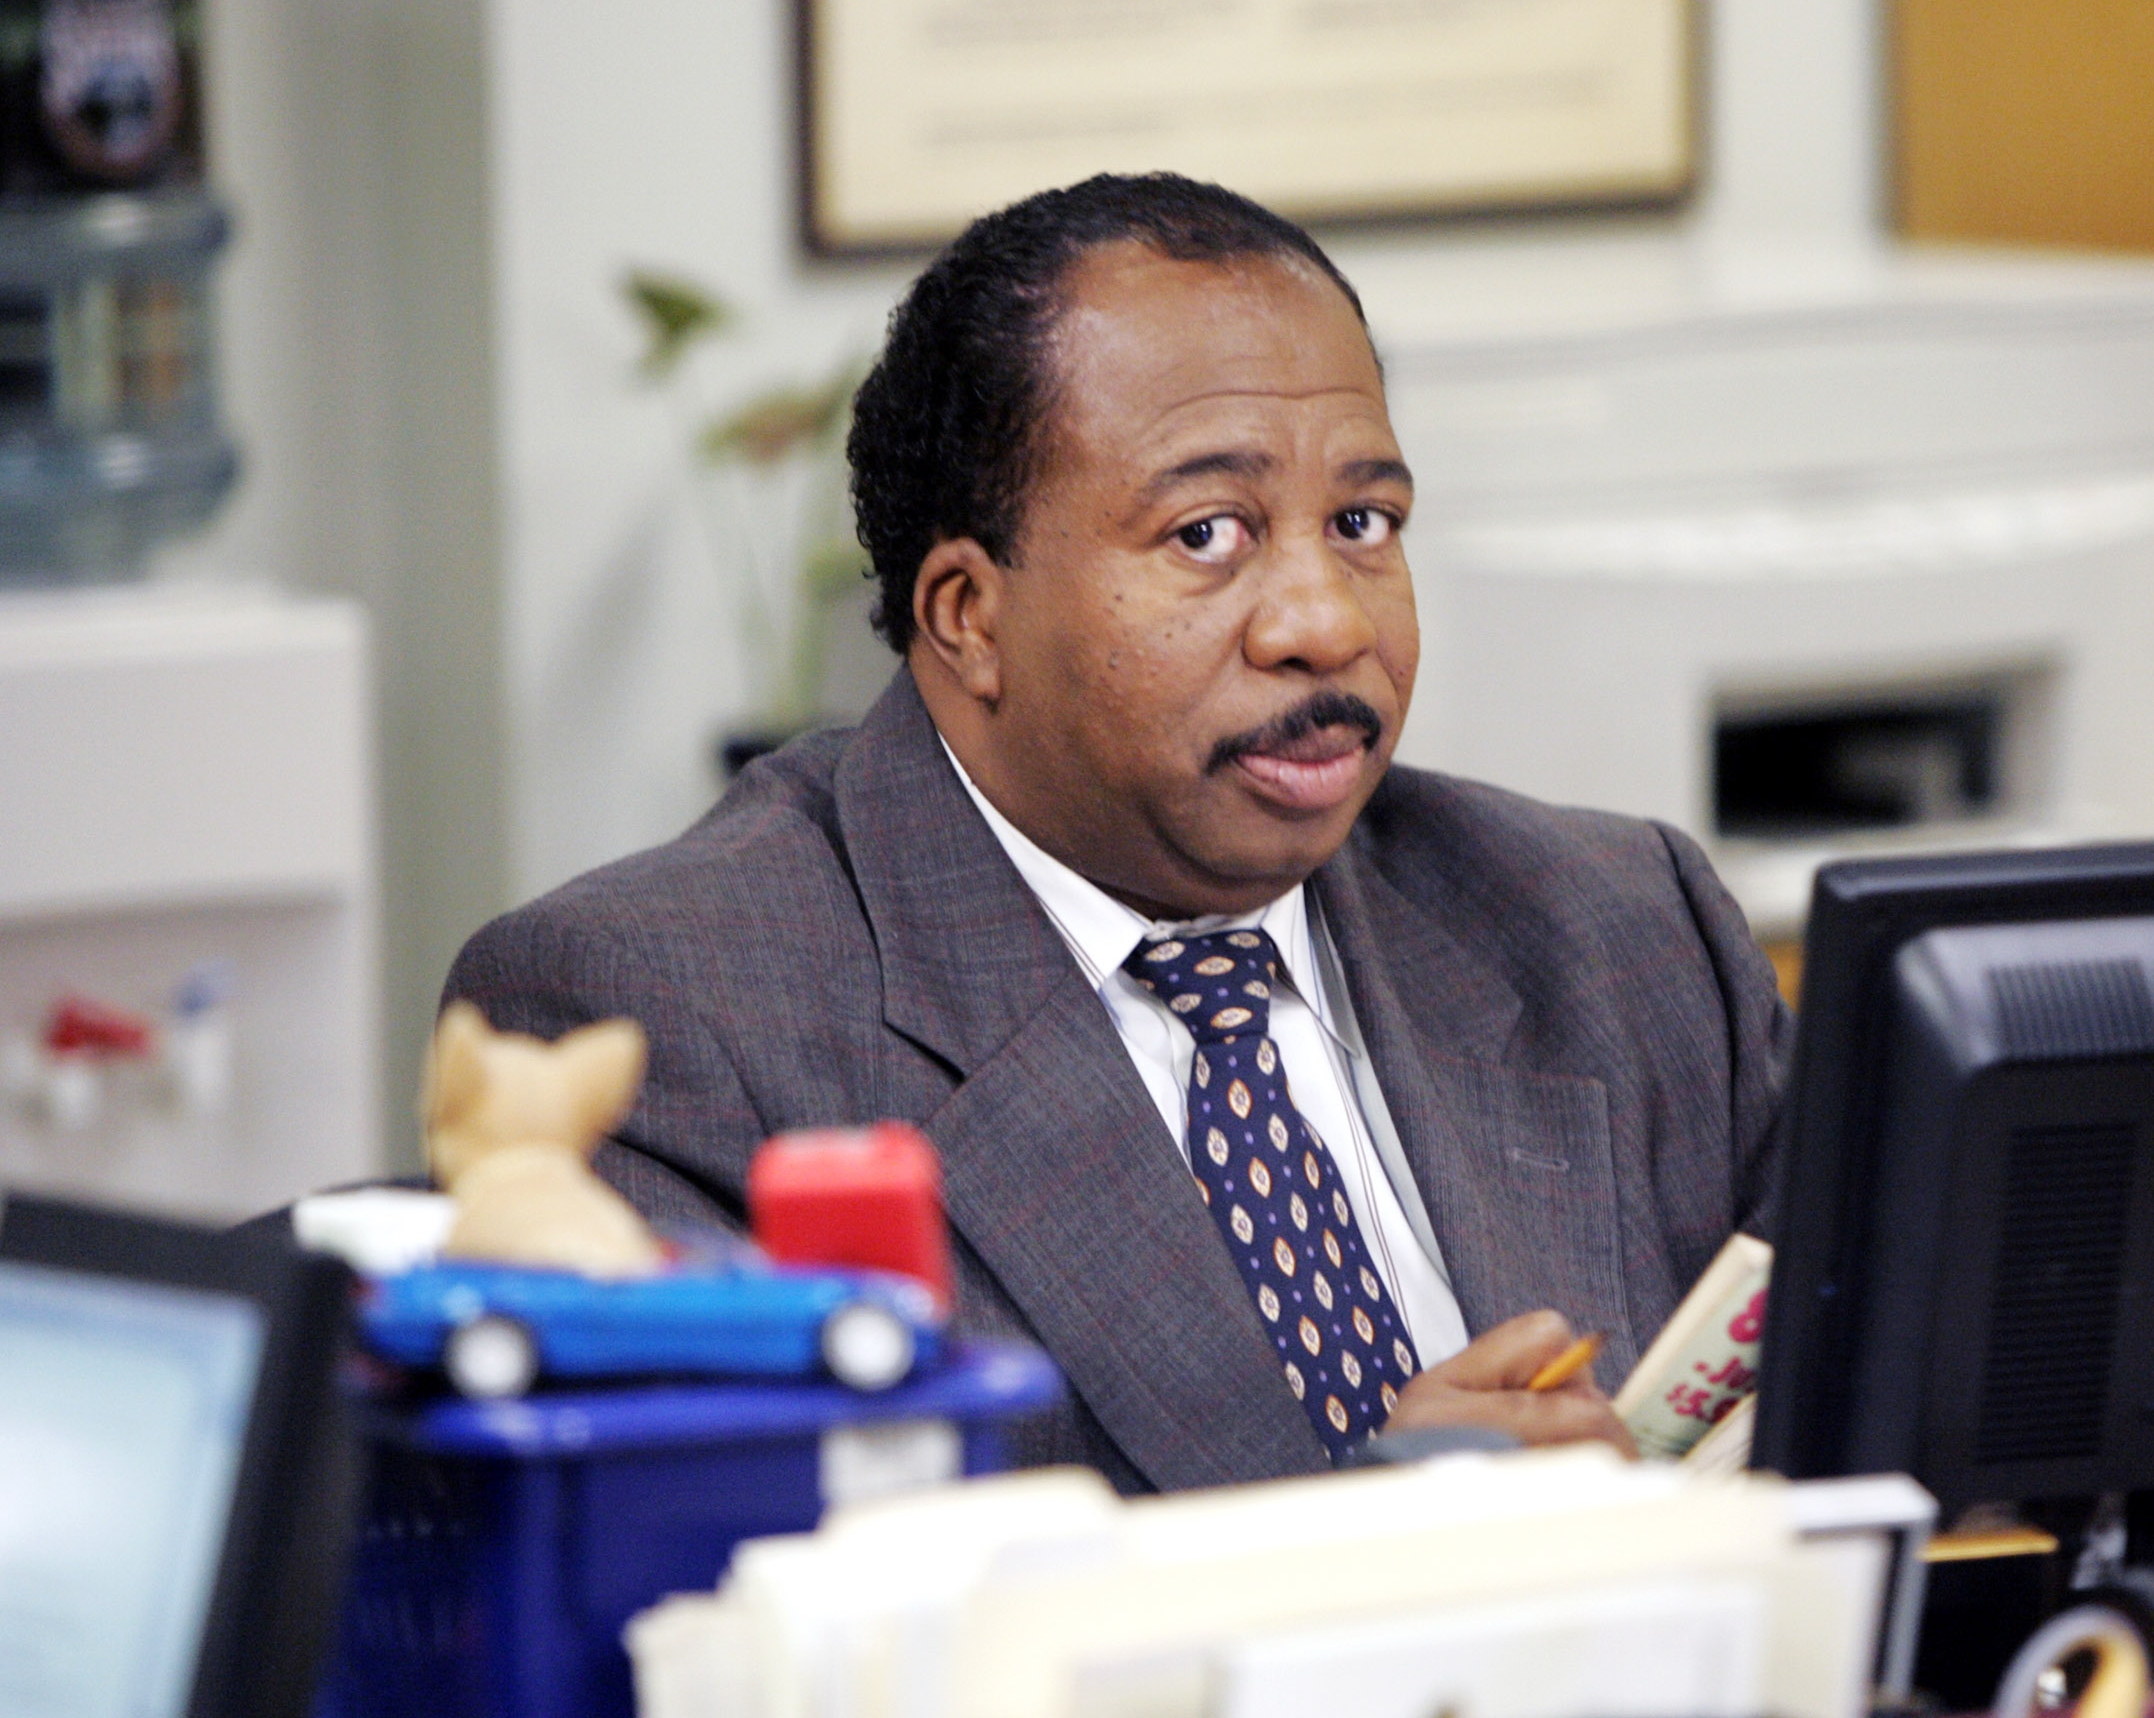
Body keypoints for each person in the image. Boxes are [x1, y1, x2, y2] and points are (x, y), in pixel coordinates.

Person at [447, 172, 1791, 1494]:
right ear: (969, 616)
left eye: (1364, 522)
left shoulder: (1623, 930)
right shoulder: (670, 1019)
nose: (1326, 622)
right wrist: (1373, 1541)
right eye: (1208, 535)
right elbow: (751, 1608)